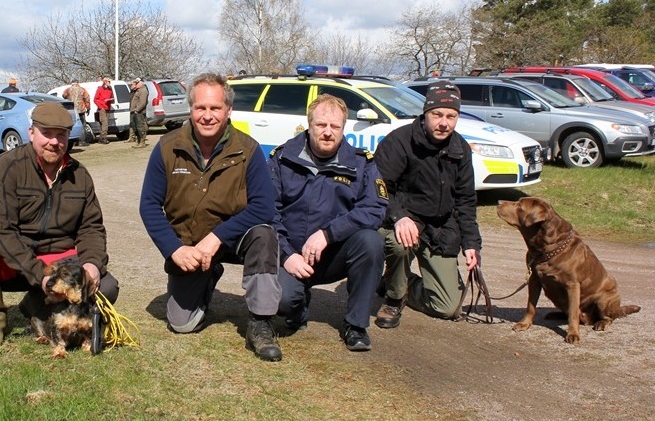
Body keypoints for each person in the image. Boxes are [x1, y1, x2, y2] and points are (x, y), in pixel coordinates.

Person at [0, 101, 119, 353]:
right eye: (46, 133)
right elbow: (0, 229)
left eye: (61, 135)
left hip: (57, 260)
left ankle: (36, 305)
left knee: (107, 287)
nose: (54, 142)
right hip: (12, 259)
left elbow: (91, 227)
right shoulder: (6, 167)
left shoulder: (80, 175)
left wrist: (92, 264)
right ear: (31, 133)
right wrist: (40, 274)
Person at [139, 73, 283, 362]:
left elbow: (264, 207)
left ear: (228, 110)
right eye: (200, 108)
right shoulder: (168, 148)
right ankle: (206, 275)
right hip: (189, 245)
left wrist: (216, 238)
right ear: (190, 109)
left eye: (215, 108)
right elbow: (149, 205)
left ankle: (261, 321)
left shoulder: (249, 149)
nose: (207, 116)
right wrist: (174, 249)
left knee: (264, 235)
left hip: (233, 239)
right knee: (182, 324)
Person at [268, 94, 387, 351]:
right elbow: (267, 212)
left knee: (371, 242)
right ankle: (297, 306)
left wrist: (328, 234)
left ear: (344, 128)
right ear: (309, 125)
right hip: (292, 255)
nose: (327, 132)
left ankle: (355, 326)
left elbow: (375, 208)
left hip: (334, 253)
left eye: (335, 127)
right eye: (321, 125)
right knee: (281, 300)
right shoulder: (281, 158)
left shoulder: (361, 163)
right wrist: (287, 254)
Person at [373, 81, 481, 329]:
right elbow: (379, 187)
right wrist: (399, 216)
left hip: (441, 228)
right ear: (425, 113)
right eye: (437, 115)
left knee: (448, 307)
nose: (444, 122)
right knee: (400, 244)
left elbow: (465, 200)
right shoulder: (399, 141)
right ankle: (394, 297)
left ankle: (397, 281)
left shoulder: (460, 148)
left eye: (451, 116)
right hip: (405, 222)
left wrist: (472, 244)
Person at [62, 78, 91, 145]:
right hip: (81, 110)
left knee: (72, 125)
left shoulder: (68, 89)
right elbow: (87, 98)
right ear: (78, 83)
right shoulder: (82, 89)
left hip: (71, 111)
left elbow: (64, 96)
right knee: (82, 125)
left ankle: (73, 140)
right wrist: (88, 108)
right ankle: (82, 141)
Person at [93, 76, 114, 144]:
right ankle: (104, 138)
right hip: (102, 109)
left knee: (104, 124)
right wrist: (100, 107)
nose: (110, 83)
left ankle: (101, 138)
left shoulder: (110, 89)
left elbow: (112, 97)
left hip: (108, 108)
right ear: (105, 82)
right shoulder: (100, 89)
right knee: (104, 123)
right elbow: (95, 99)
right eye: (109, 82)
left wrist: (111, 100)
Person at [129, 77, 149, 148]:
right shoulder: (138, 90)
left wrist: (137, 110)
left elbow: (142, 103)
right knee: (136, 127)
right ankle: (138, 141)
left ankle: (142, 142)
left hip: (139, 112)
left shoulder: (143, 91)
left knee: (141, 127)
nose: (136, 84)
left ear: (141, 83)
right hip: (135, 112)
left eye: (137, 83)